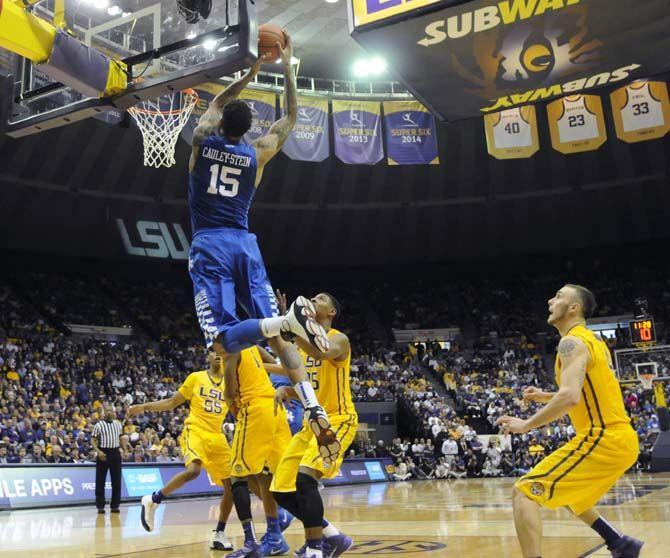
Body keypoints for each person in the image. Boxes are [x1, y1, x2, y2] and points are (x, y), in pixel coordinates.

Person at [186, 31, 339, 465]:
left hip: (210, 243)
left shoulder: (202, 139)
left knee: (222, 340)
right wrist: (286, 66)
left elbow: (216, 105)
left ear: (220, 123)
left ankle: (287, 321)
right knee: (273, 327)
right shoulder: (259, 152)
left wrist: (249, 71)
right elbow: (289, 118)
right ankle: (310, 401)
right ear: (248, 129)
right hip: (245, 244)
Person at [496, 284, 643, 558]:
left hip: (603, 437)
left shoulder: (570, 342)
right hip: (621, 438)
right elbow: (587, 392)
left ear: (574, 308)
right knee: (572, 496)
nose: (551, 300)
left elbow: (570, 397)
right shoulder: (594, 341)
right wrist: (544, 396)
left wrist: (525, 424)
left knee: (524, 493)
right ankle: (620, 544)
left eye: (559, 296)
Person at [270, 293, 357, 558]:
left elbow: (321, 352)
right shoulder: (301, 347)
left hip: (338, 420)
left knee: (306, 478)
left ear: (331, 312)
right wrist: (281, 323)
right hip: (310, 425)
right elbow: (292, 367)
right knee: (281, 491)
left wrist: (294, 328)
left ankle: (314, 549)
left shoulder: (339, 340)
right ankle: (332, 537)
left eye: (320, 299)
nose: (313, 300)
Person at [129, 349, 235, 551]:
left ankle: (219, 532)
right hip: (195, 430)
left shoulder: (231, 381)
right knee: (193, 471)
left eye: (221, 350)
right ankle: (153, 499)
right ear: (207, 356)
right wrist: (143, 407)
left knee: (233, 485)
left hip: (218, 436)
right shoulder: (196, 377)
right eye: (212, 350)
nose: (217, 354)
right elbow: (171, 402)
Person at [221, 345, 292, 558]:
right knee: (266, 475)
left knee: (238, 475)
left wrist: (238, 414)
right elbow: (275, 363)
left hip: (256, 410)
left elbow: (230, 396)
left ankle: (251, 542)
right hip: (275, 407)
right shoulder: (251, 345)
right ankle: (278, 533)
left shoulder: (230, 351)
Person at [92, 405, 123, 514]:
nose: (109, 412)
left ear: (114, 412)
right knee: (100, 480)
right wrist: (98, 451)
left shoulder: (118, 424)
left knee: (117, 481)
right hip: (103, 452)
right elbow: (93, 440)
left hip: (115, 452)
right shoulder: (98, 425)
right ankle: (100, 506)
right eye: (107, 410)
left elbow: (119, 438)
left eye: (111, 410)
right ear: (104, 412)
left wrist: (123, 449)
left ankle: (115, 505)